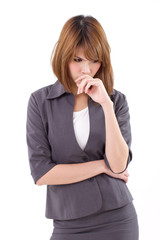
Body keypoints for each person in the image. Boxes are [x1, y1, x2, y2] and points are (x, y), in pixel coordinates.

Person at [26, 15, 139, 240]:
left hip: (117, 219)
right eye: (77, 59)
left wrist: (105, 104)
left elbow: (117, 166)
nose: (86, 69)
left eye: (94, 60)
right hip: (68, 223)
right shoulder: (40, 102)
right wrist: (101, 166)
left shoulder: (116, 101)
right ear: (63, 57)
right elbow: (42, 173)